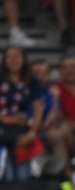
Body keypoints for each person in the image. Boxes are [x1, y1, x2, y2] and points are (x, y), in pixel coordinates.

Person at [0, 47, 43, 182]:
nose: (13, 60)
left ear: (23, 59)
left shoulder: (31, 81)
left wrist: (31, 134)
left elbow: (38, 109)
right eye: (9, 56)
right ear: (4, 60)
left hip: (22, 132)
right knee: (7, 177)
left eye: (17, 56)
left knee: (22, 177)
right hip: (1, 132)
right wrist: (4, 118)